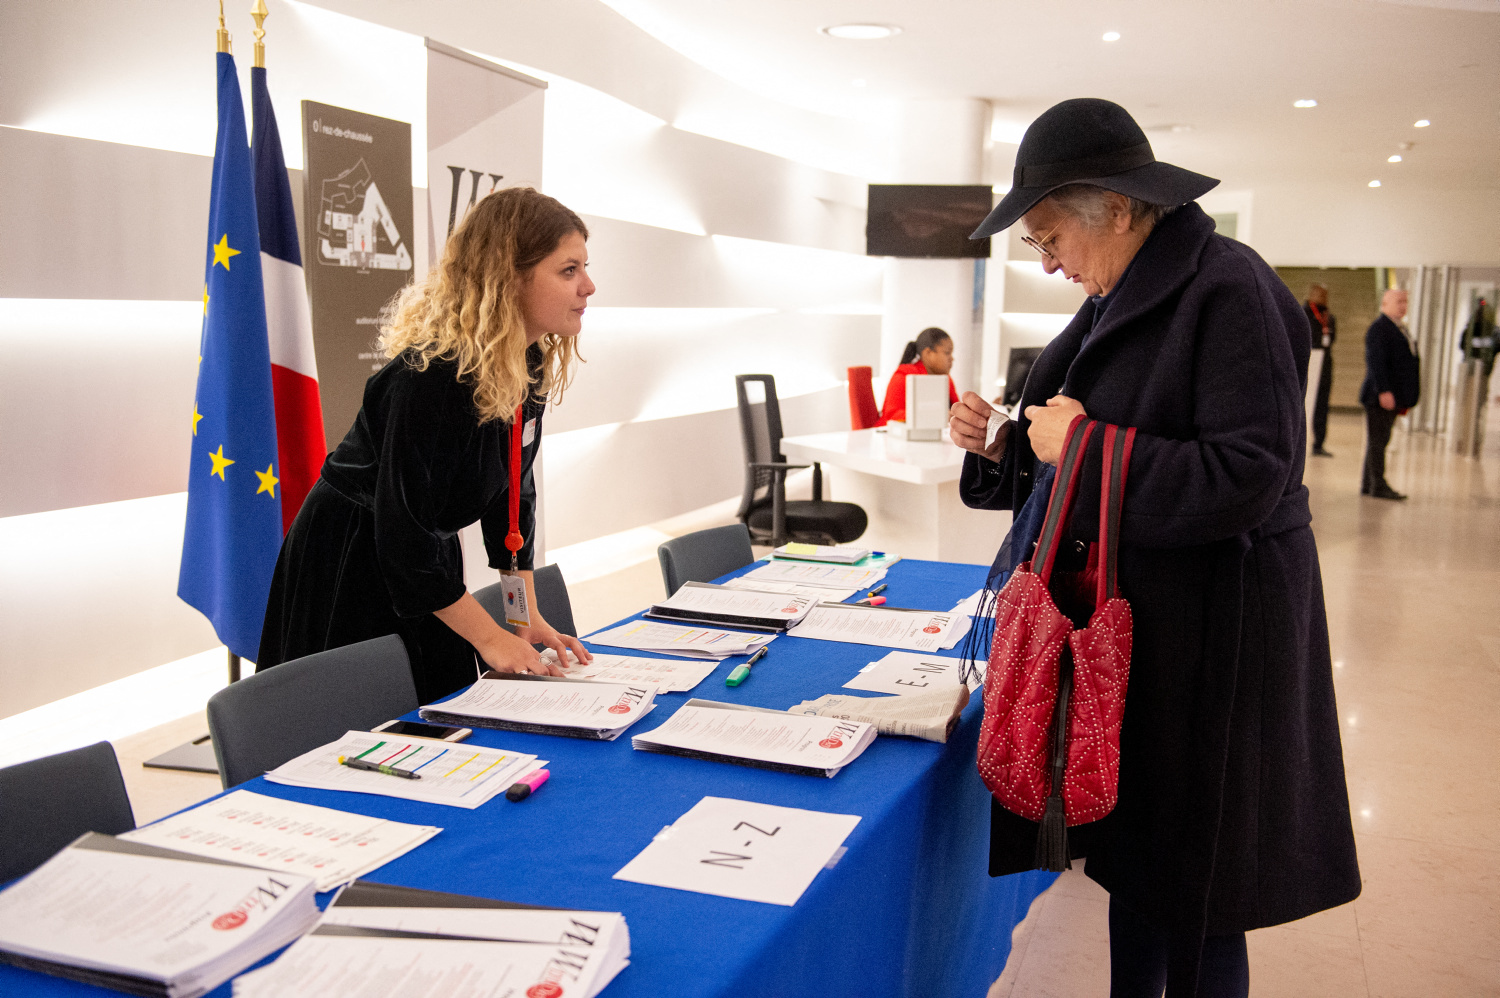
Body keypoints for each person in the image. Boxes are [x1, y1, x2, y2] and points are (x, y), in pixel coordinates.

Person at [950, 99, 1359, 997]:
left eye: (1051, 235)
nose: (1049, 261)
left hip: (1216, 647)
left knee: (1200, 900)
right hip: (1138, 642)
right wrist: (1004, 445)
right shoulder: (1122, 293)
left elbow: (1250, 473)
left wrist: (1079, 447)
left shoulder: (1231, 288)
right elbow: (1076, 445)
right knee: (1137, 880)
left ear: (1122, 208)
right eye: (1036, 244)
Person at [258, 187, 594, 705]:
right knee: (363, 718)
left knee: (442, 701)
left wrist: (520, 619)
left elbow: (512, 504)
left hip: (418, 555)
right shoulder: (431, 378)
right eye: (568, 270)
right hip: (353, 554)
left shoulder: (526, 366)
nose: (588, 287)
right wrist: (489, 639)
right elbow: (403, 538)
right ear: (509, 277)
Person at [1359, 288, 1420, 500]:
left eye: (1405, 301)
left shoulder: (1398, 328)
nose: (1403, 305)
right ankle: (1378, 484)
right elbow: (1376, 362)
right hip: (1381, 397)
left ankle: (1369, 483)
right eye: (1398, 302)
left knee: (1379, 441)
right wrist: (1384, 390)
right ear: (1385, 304)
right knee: (1378, 442)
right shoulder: (1380, 328)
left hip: (1392, 395)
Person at [878, 326, 960, 425]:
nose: (951, 358)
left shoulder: (945, 379)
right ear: (928, 353)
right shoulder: (904, 375)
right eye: (947, 353)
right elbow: (891, 415)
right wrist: (934, 415)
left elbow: (956, 410)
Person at [1305, 283, 1336, 456]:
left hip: (1325, 366)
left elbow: (1332, 339)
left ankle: (1319, 442)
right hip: (1310, 365)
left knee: (1322, 406)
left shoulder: (1329, 316)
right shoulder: (1305, 313)